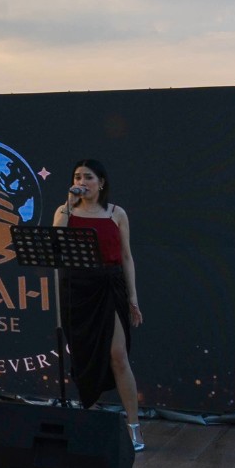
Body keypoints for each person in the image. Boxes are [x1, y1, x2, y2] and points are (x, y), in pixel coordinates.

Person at [53, 158, 145, 452]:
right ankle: (89, 423)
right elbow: (55, 245)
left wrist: (133, 297)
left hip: (109, 286)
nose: (81, 182)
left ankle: (134, 426)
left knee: (118, 355)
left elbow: (127, 257)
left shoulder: (117, 213)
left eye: (88, 177)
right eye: (77, 176)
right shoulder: (64, 211)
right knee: (83, 356)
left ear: (101, 182)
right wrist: (68, 206)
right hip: (76, 288)